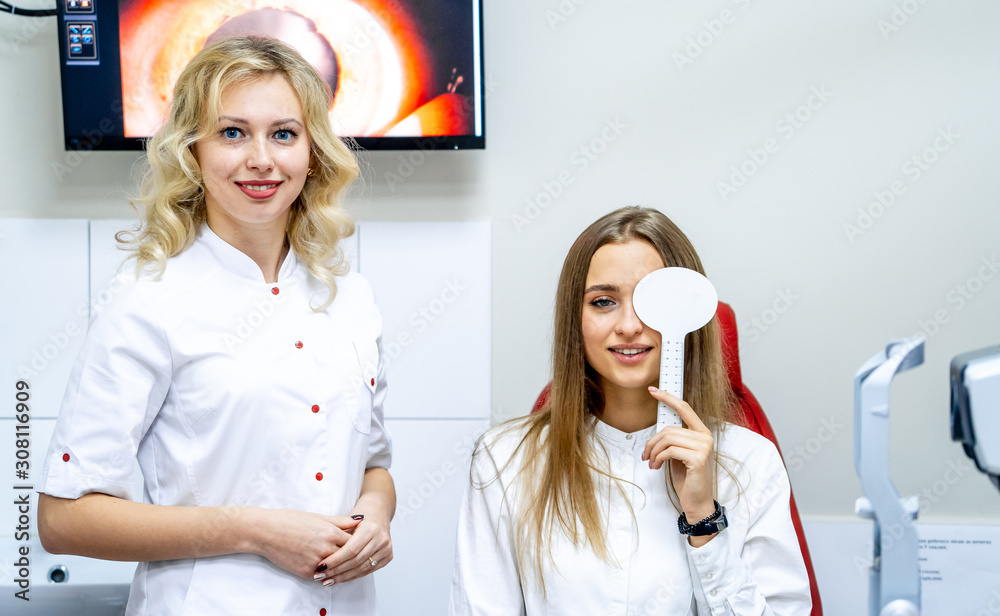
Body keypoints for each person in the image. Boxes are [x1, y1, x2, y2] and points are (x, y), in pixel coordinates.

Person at [37, 36, 394, 615]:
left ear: (313, 151)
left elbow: (374, 465)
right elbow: (64, 520)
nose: (262, 159)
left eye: (284, 133)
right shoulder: (148, 301)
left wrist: (375, 516)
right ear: (192, 151)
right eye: (232, 133)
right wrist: (253, 529)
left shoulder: (351, 298)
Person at [449, 206, 811, 615]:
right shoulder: (504, 461)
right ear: (575, 319)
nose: (628, 325)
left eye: (650, 302)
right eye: (603, 302)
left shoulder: (751, 462)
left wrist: (704, 521)